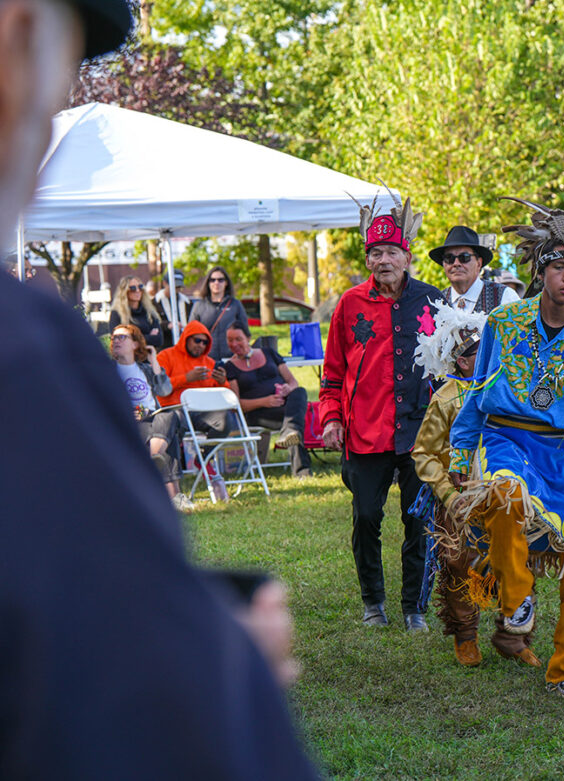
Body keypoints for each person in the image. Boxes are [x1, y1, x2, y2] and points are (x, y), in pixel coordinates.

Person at [0, 0, 319, 775]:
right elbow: (147, 709)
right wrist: (230, 657)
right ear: (19, 31)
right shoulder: (26, 352)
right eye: (60, 82)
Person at [446, 199, 564, 699]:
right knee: (505, 495)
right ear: (542, 269)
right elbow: (477, 395)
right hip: (507, 440)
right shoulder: (503, 328)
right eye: (559, 267)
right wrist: (462, 455)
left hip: (562, 458)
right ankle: (517, 597)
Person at [319, 194, 443, 631]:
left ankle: (414, 608)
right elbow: (332, 371)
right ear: (368, 258)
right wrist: (331, 417)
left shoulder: (432, 301)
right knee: (366, 516)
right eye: (376, 252)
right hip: (365, 431)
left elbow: (450, 363)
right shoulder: (349, 305)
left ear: (407, 257)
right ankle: (373, 602)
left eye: (392, 252)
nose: (384, 259)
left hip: (419, 431)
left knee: (418, 519)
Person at [411, 301, 542, 669]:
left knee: (517, 560)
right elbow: (424, 453)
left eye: (486, 348)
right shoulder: (447, 397)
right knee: (458, 564)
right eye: (471, 352)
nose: (481, 355)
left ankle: (516, 637)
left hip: (507, 490)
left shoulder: (508, 388)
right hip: (461, 495)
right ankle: (465, 636)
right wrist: (449, 496)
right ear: (457, 359)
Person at [110, 323, 194, 512]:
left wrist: (154, 361)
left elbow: (165, 390)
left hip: (152, 419)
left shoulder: (145, 369)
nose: (116, 341)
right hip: (128, 421)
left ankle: (153, 457)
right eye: (114, 337)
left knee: (169, 417)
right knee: (167, 431)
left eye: (122, 337)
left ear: (135, 344)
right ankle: (174, 496)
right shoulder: (109, 370)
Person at [224, 321, 312, 479]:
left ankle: (289, 431)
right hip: (257, 414)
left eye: (238, 339)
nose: (234, 344)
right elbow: (236, 405)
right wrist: (265, 401)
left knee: (299, 392)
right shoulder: (230, 367)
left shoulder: (269, 353)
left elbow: (292, 382)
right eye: (230, 340)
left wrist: (287, 389)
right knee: (293, 420)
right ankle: (302, 471)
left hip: (283, 406)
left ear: (249, 338)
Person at [156, 320, 233, 499]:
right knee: (174, 424)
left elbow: (224, 397)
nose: (201, 345)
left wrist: (223, 383)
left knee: (225, 419)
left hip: (202, 413)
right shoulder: (166, 356)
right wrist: (186, 378)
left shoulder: (210, 362)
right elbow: (159, 387)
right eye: (197, 340)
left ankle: (204, 459)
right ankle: (171, 482)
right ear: (186, 339)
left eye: (205, 342)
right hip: (174, 409)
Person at [429, 224, 520, 313]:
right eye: (449, 258)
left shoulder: (503, 296)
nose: (456, 263)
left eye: (464, 257)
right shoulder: (438, 301)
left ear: (479, 263)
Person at [189, 265, 249, 361]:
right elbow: (190, 334)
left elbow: (245, 332)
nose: (216, 283)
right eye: (212, 280)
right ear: (208, 283)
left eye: (220, 280)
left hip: (232, 358)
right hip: (205, 359)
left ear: (226, 283)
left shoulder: (235, 304)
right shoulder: (199, 306)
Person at [109, 274, 164, 349]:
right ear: (125, 292)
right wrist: (149, 337)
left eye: (140, 287)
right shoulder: (117, 313)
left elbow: (159, 340)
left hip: (149, 357)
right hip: (128, 359)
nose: (137, 290)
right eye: (133, 288)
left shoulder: (149, 311)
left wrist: (134, 339)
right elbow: (118, 340)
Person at [155, 268, 192, 348]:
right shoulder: (154, 303)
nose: (176, 290)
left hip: (184, 346)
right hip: (164, 348)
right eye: (174, 286)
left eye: (179, 287)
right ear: (164, 283)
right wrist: (168, 325)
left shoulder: (187, 302)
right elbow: (152, 324)